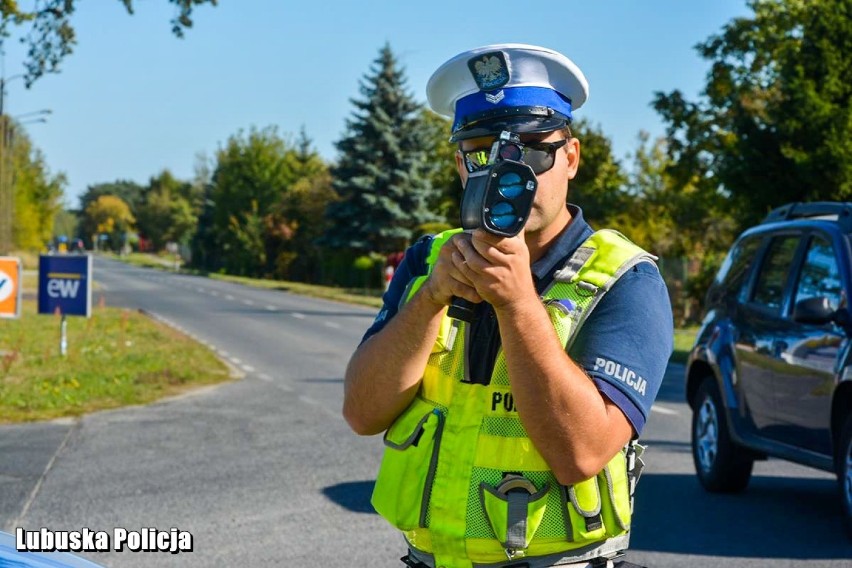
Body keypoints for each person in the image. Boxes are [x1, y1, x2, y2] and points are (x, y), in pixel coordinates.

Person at [343, 43, 674, 568]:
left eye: (533, 149)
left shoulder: (625, 279)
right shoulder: (429, 261)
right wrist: (431, 297)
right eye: (483, 152)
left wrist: (518, 303)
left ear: (571, 156)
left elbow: (582, 453)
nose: (509, 171)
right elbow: (362, 412)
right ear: (459, 164)